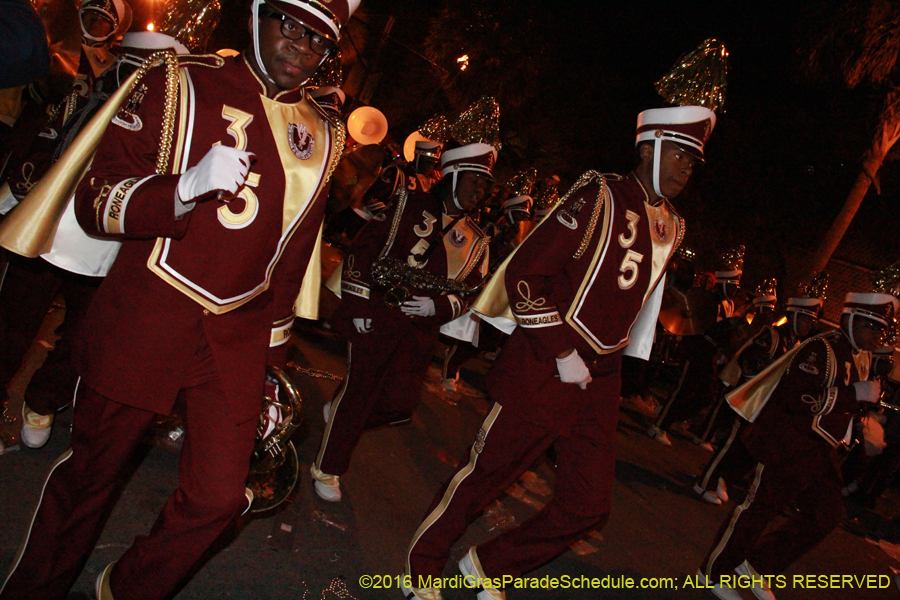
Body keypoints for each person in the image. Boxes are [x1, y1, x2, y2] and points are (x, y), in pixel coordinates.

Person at [0, 0, 359, 597]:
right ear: (256, 16)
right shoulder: (179, 81)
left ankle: (127, 586)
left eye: (318, 39)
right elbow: (96, 200)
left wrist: (272, 371)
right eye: (290, 24)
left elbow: (292, 258)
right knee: (90, 477)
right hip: (149, 310)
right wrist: (181, 191)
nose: (301, 46)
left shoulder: (324, 134)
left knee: (221, 498)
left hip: (237, 336)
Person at [403, 104, 716, 600]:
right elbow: (524, 275)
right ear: (648, 146)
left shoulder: (672, 225)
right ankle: (421, 566)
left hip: (602, 377)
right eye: (678, 153)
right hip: (548, 365)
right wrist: (561, 352)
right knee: (486, 476)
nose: (685, 168)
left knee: (588, 505)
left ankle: (489, 566)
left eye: (692, 161)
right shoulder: (599, 196)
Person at [0, 4, 206, 455]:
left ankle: (43, 400)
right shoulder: (93, 80)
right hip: (54, 220)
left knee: (85, 335)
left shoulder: (182, 112)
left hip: (113, 243)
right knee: (13, 319)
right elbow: (52, 132)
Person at [312, 136, 495, 503]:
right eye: (474, 182)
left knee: (398, 407)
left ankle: (341, 412)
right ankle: (328, 469)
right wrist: (360, 305)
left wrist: (438, 308)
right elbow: (363, 252)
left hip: (420, 332)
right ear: (453, 175)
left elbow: (471, 290)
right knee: (361, 393)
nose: (479, 192)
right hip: (379, 313)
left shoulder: (476, 240)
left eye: (485, 186)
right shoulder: (406, 203)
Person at [697, 288, 897, 600]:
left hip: (821, 452)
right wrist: (853, 395)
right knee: (759, 509)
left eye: (881, 331)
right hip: (789, 442)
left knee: (825, 515)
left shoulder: (860, 358)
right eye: (872, 327)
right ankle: (714, 573)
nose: (876, 337)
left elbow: (843, 406)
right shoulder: (822, 348)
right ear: (853, 319)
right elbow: (799, 398)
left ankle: (757, 566)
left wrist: (864, 423)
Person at [693, 277, 826, 505]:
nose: (808, 325)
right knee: (730, 446)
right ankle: (704, 483)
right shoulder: (773, 336)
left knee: (749, 450)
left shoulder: (795, 344)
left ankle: (721, 480)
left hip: (766, 409)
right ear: (793, 314)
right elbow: (746, 361)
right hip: (752, 402)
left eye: (810, 321)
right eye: (804, 318)